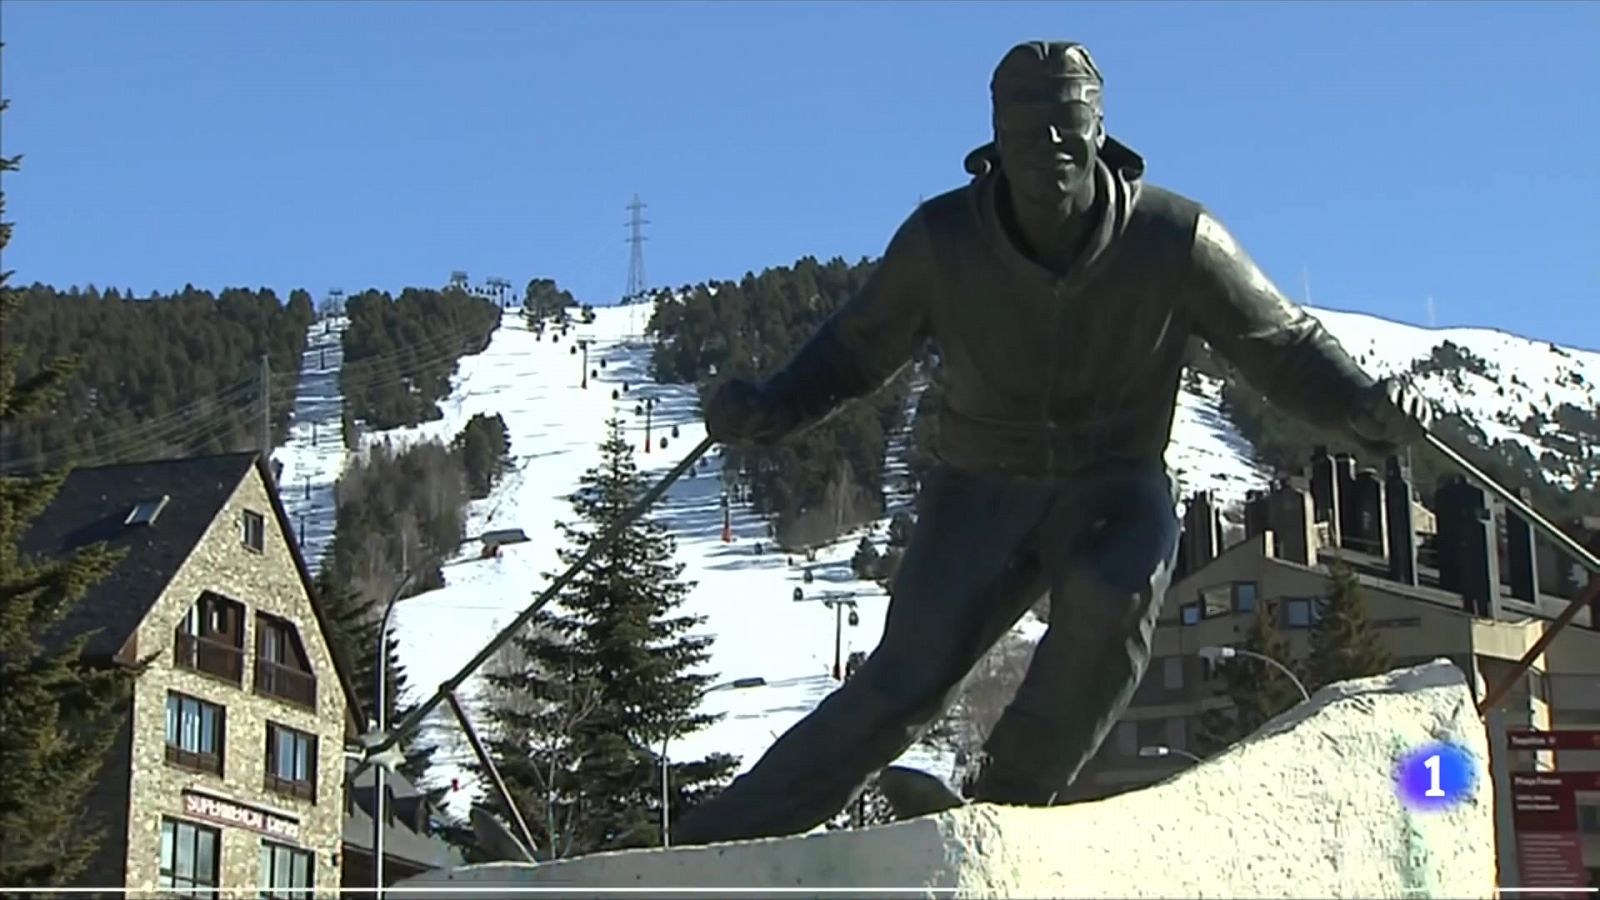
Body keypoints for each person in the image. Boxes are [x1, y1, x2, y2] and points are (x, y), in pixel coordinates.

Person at [677, 40, 1432, 846]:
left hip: (1115, 485)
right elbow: (854, 350)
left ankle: (1011, 799)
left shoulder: (1176, 239)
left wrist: (1362, 409)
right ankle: (715, 845)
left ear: (1100, 133)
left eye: (1067, 131)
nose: (1048, 152)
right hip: (979, 490)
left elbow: (1278, 342)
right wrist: (770, 408)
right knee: (905, 680)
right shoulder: (943, 242)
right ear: (995, 139)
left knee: (1119, 590)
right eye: (1028, 131)